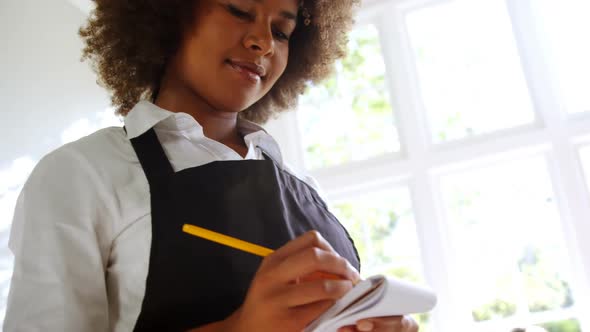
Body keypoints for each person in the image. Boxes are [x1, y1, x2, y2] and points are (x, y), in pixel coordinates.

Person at [5, 0, 419, 331]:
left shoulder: (305, 188)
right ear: (169, 12)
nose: (264, 43)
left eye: (282, 31)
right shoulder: (82, 174)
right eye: (239, 10)